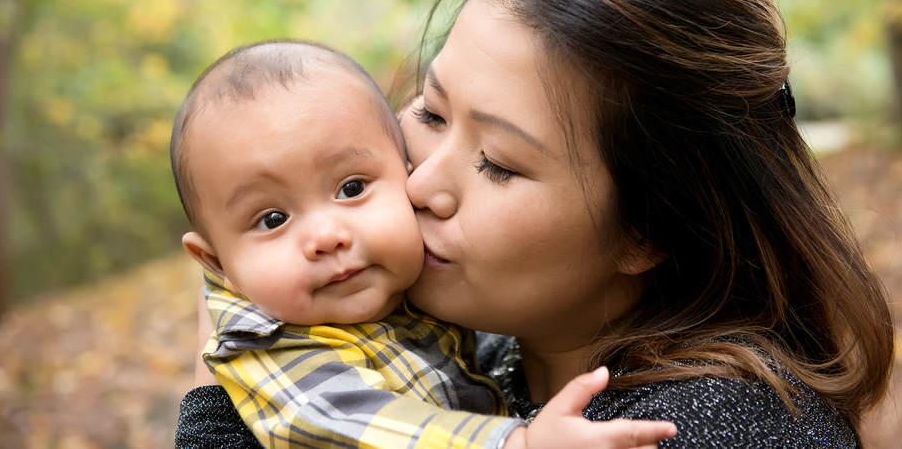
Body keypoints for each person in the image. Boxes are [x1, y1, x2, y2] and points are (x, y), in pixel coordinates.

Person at [176, 0, 895, 447]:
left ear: (646, 229)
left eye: (497, 164)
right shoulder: (481, 352)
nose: (421, 185)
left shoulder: (702, 430)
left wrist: (222, 404)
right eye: (429, 112)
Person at [171, 38, 678, 449]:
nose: (326, 237)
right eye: (273, 218)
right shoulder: (276, 348)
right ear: (216, 264)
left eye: (352, 188)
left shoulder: (700, 417)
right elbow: (349, 422)